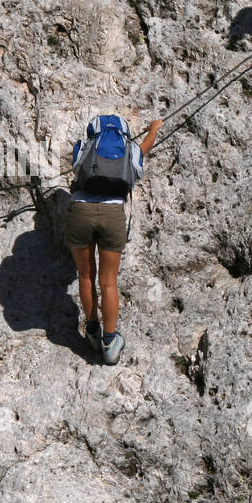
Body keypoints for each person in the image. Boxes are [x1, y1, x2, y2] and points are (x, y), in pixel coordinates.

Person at [65, 115, 162, 365]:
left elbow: (76, 168)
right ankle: (110, 344)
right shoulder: (130, 148)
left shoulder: (84, 146)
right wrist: (153, 129)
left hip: (81, 212)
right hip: (112, 215)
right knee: (108, 282)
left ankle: (93, 332)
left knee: (85, 275)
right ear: (123, 133)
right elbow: (144, 148)